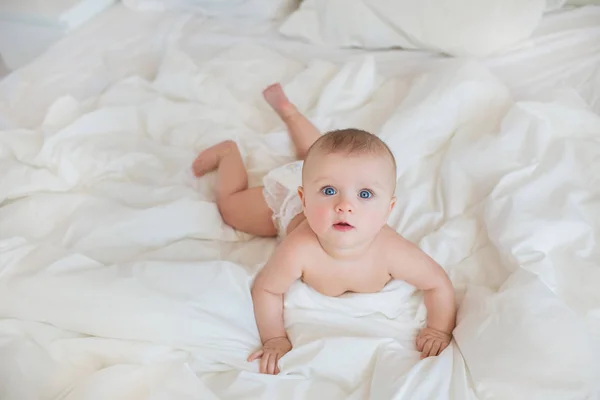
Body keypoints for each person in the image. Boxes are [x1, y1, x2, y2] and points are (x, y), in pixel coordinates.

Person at [192, 83, 457, 375]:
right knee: (232, 208)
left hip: (313, 178)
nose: (344, 206)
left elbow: (438, 283)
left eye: (365, 195)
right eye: (330, 191)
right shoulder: (300, 248)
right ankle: (228, 154)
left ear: (388, 210)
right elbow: (267, 289)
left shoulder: (393, 251)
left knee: (318, 157)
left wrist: (438, 329)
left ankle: (290, 113)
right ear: (305, 200)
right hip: (286, 204)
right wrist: (275, 339)